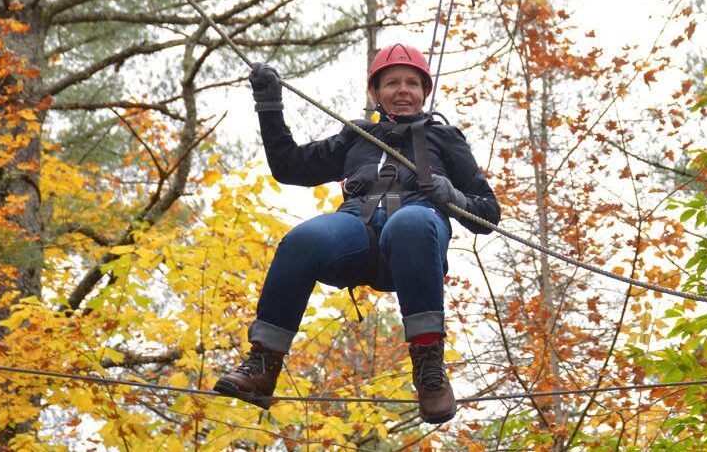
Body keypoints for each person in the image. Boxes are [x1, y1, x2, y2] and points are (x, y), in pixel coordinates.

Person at [213, 44, 501, 424]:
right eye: (392, 82)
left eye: (412, 83)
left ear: (424, 93)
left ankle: (429, 368)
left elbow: (487, 215)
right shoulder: (357, 136)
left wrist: (451, 195)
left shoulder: (444, 138)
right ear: (376, 92)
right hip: (356, 234)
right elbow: (288, 167)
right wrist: (269, 104)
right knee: (304, 239)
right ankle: (262, 365)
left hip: (413, 243)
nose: (403, 90)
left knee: (411, 222)